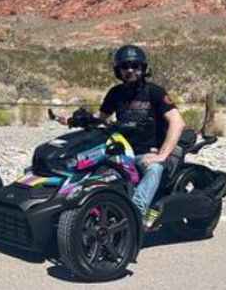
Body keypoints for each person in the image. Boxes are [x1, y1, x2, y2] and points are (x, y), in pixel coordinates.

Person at [59, 45, 185, 228]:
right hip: (121, 151)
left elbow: (177, 122)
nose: (130, 70)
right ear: (118, 70)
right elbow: (100, 120)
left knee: (154, 169)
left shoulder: (155, 92)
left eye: (135, 66)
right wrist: (74, 120)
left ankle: (136, 214)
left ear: (143, 68)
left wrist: (162, 155)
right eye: (125, 66)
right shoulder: (115, 93)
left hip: (148, 152)